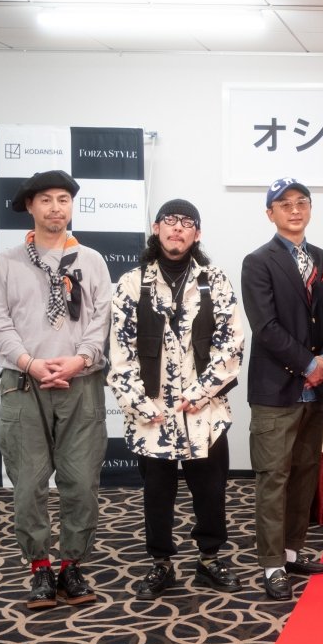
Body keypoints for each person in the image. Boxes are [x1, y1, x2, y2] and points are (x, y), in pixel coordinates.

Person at [0, 169, 112, 610]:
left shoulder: (92, 260)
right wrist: (30, 364)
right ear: (30, 207)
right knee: (29, 483)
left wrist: (79, 360)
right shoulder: (6, 263)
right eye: (47, 200)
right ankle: (39, 568)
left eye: (63, 199)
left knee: (81, 481)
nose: (56, 208)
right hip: (23, 385)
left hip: (81, 383)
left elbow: (101, 321)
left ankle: (72, 565)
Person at [107, 199, 245, 600]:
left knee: (211, 490)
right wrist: (141, 405)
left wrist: (200, 393)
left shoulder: (214, 280)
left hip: (205, 411)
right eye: (170, 220)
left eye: (187, 223)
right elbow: (120, 352)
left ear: (196, 234)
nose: (178, 228)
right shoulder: (132, 283)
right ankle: (161, 564)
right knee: (157, 493)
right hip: (152, 415)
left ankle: (209, 559)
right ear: (157, 228)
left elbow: (231, 345)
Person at [242, 177, 323, 601]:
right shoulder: (257, 262)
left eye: (302, 202)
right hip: (276, 390)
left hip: (315, 391)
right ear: (271, 214)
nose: (295, 210)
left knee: (304, 474)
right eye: (284, 204)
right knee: (273, 478)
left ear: (310, 209)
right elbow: (265, 327)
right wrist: (307, 364)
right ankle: (271, 564)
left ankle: (293, 552)